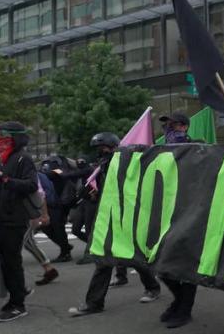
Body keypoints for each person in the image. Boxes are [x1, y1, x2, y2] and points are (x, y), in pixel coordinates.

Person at [68, 132, 162, 317]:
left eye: (103, 147)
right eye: (98, 149)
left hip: (126, 218)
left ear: (112, 146)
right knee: (103, 261)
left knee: (134, 256)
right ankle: (94, 303)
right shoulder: (102, 166)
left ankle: (152, 287)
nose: (100, 151)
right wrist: (93, 194)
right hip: (109, 217)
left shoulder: (127, 163)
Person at [0, 122, 38, 322]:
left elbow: (31, 185)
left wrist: (6, 180)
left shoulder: (24, 159)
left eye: (4, 136)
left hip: (15, 219)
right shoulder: (4, 159)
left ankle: (18, 304)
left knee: (12, 261)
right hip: (1, 216)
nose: (0, 140)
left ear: (16, 138)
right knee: (5, 261)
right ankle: (16, 294)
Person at [156, 112, 199, 329]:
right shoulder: (161, 151)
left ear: (183, 127)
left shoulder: (197, 149)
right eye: (166, 126)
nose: (168, 129)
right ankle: (179, 300)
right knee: (160, 264)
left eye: (173, 125)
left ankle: (185, 309)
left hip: (189, 211)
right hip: (167, 212)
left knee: (187, 265)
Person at [24, 171, 59, 286]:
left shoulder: (30, 174)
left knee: (25, 242)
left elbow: (41, 194)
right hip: (24, 212)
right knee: (28, 242)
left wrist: (44, 214)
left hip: (30, 212)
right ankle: (49, 269)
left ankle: (49, 269)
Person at [40, 156, 78, 262]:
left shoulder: (59, 169)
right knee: (47, 227)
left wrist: (42, 174)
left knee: (58, 227)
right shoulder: (54, 168)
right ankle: (65, 247)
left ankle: (65, 252)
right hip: (52, 202)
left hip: (60, 202)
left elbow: (54, 173)